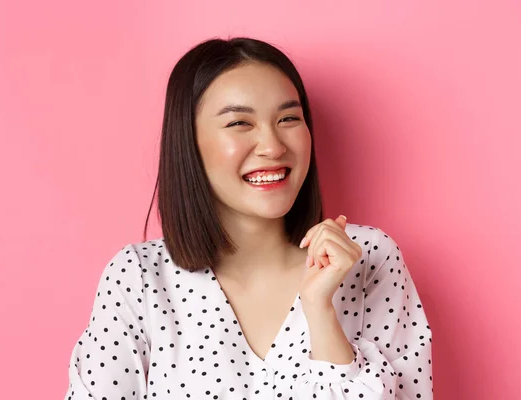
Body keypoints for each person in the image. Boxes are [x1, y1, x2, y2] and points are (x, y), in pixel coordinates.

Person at [63, 37, 433, 400]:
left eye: (288, 118)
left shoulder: (368, 257)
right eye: (240, 123)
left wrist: (321, 312)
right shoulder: (140, 278)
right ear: (188, 142)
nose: (273, 147)